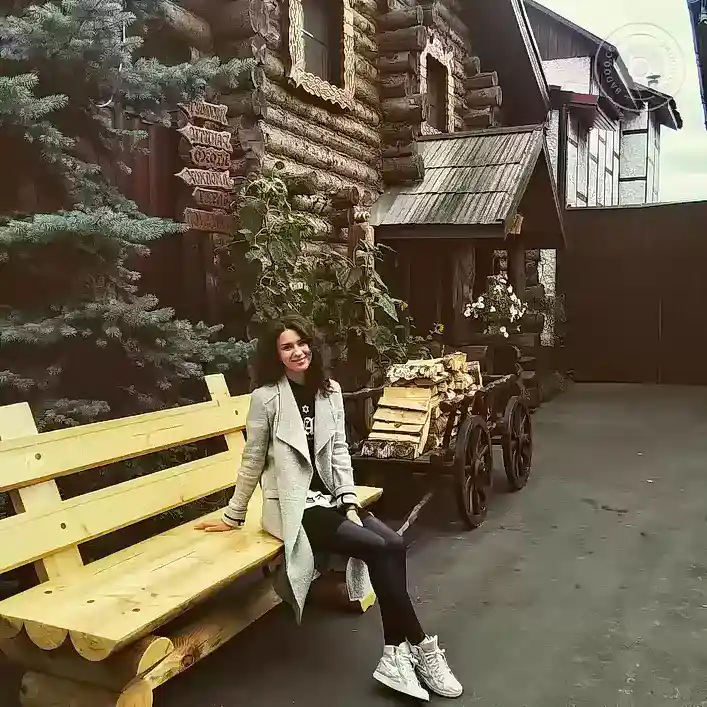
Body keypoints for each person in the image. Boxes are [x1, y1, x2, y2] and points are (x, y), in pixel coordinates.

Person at [196, 315, 463, 701]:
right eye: (287, 347)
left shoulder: (329, 391)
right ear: (275, 355)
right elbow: (252, 459)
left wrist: (350, 501)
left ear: (312, 345)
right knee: (377, 548)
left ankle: (394, 653)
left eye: (301, 342)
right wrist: (233, 515)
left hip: (332, 499)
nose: (297, 351)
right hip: (293, 506)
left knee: (393, 543)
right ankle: (421, 646)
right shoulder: (266, 398)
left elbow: (339, 452)